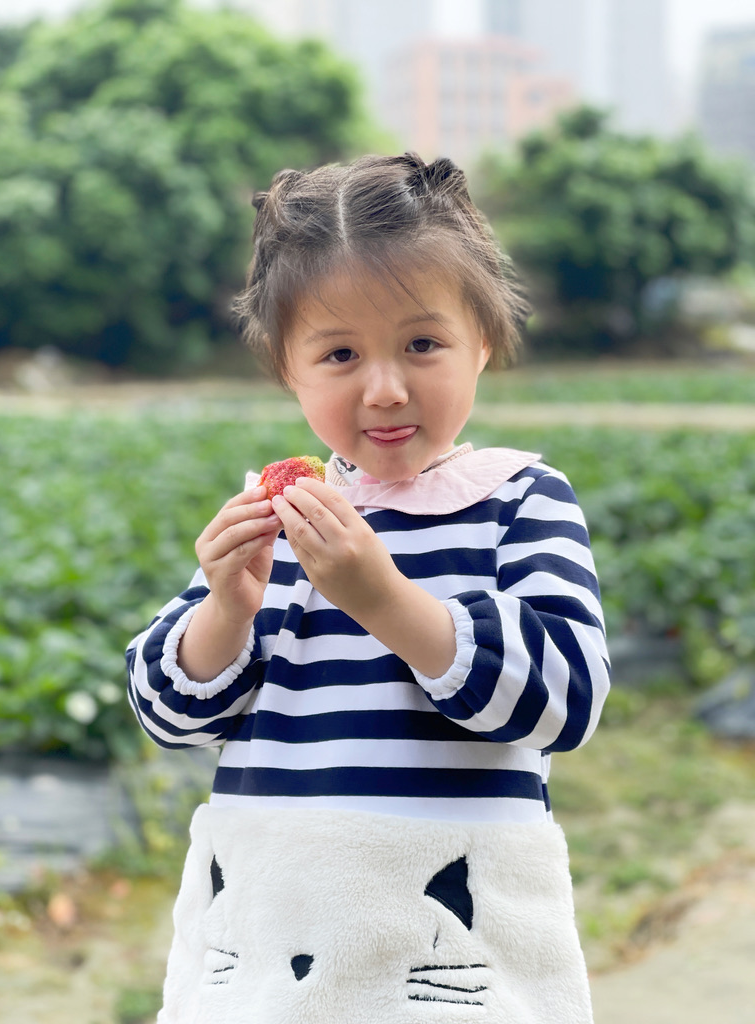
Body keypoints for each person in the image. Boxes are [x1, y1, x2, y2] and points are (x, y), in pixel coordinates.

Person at [126, 152, 610, 1024]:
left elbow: (564, 702)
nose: (385, 389)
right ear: (287, 369)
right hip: (271, 933)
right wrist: (224, 608)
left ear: (485, 343)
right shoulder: (278, 516)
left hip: (442, 943)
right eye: (340, 353)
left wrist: (382, 598)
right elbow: (166, 712)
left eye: (422, 344)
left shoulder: (519, 502)